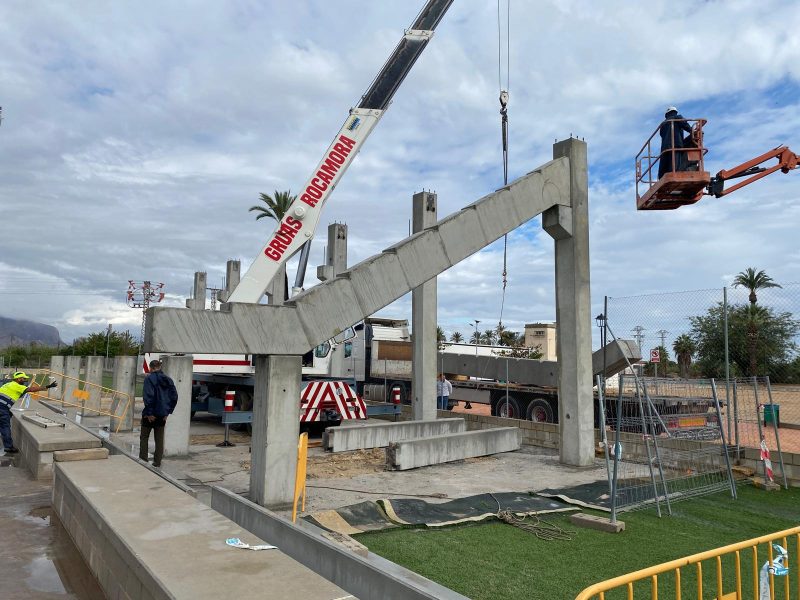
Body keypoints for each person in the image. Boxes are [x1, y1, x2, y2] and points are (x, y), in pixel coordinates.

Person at [0, 371, 57, 454]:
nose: (25, 380)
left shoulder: (7, 384)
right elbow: (32, 389)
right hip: (2, 408)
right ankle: (9, 447)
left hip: (2, 407)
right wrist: (48, 386)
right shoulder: (17, 385)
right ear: (18, 379)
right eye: (23, 379)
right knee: (5, 427)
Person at [139, 359, 178, 468]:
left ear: (151, 368)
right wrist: (168, 412)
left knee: (144, 437)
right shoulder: (168, 380)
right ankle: (157, 462)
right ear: (160, 367)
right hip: (162, 414)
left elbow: (148, 397)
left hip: (149, 414)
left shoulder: (149, 379)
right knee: (159, 439)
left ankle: (143, 460)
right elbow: (174, 397)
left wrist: (150, 412)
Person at [658, 106, 693, 178]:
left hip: (665, 149)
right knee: (675, 166)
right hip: (676, 145)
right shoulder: (677, 118)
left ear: (666, 114)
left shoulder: (663, 124)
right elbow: (685, 125)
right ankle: (675, 175)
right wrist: (692, 131)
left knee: (666, 166)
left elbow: (662, 135)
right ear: (675, 112)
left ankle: (662, 178)